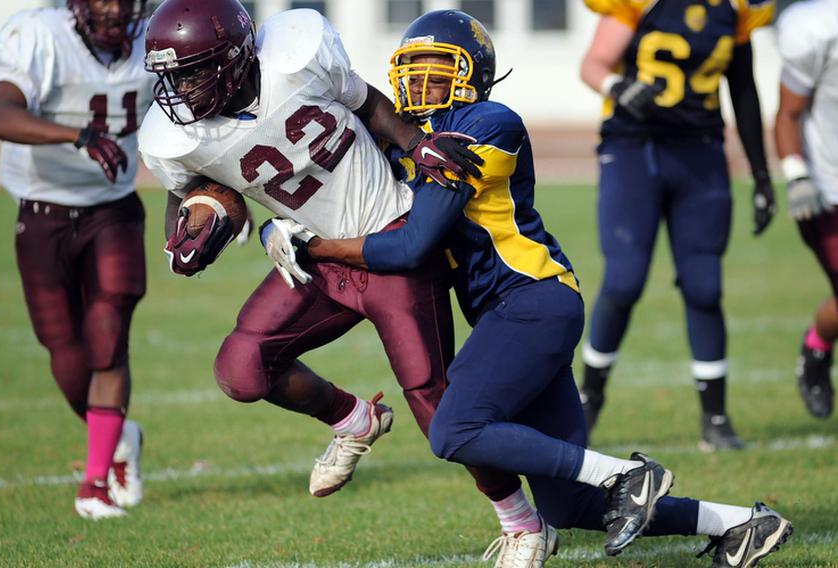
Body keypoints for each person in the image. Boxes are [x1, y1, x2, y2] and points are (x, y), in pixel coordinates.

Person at [295, 10, 793, 567]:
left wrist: (316, 247)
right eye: (412, 73)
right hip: (510, 314)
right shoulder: (415, 140)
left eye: (437, 73)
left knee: (454, 429)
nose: (420, 87)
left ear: (472, 75)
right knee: (569, 504)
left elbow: (413, 245)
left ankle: (628, 474)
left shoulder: (489, 122)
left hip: (532, 299)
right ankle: (742, 523)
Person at [137, 0, 544, 557]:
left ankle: (521, 522)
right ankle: (353, 420)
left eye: (191, 72)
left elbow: (367, 101)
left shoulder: (295, 54)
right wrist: (187, 237)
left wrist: (411, 142)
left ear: (233, 58)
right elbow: (190, 197)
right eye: (172, 77)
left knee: (434, 407)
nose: (180, 90)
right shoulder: (175, 136)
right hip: (314, 258)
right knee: (242, 369)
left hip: (387, 239)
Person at [577, 0, 777, 450]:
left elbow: (743, 90)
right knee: (624, 280)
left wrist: (762, 175)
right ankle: (588, 399)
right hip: (635, 147)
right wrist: (617, 86)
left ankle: (716, 418)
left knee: (704, 285)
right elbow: (592, 63)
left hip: (700, 153)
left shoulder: (736, 8)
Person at [0, 0, 152, 519]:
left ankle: (95, 483)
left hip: (113, 209)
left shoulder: (157, 37)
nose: (115, 8)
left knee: (108, 333)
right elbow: (0, 116)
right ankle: (120, 435)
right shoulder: (39, 35)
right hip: (42, 210)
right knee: (65, 357)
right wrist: (78, 135)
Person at [774, 0, 838, 420]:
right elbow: (788, 113)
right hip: (830, 190)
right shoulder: (820, 28)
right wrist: (796, 176)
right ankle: (817, 346)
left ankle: (818, 341)